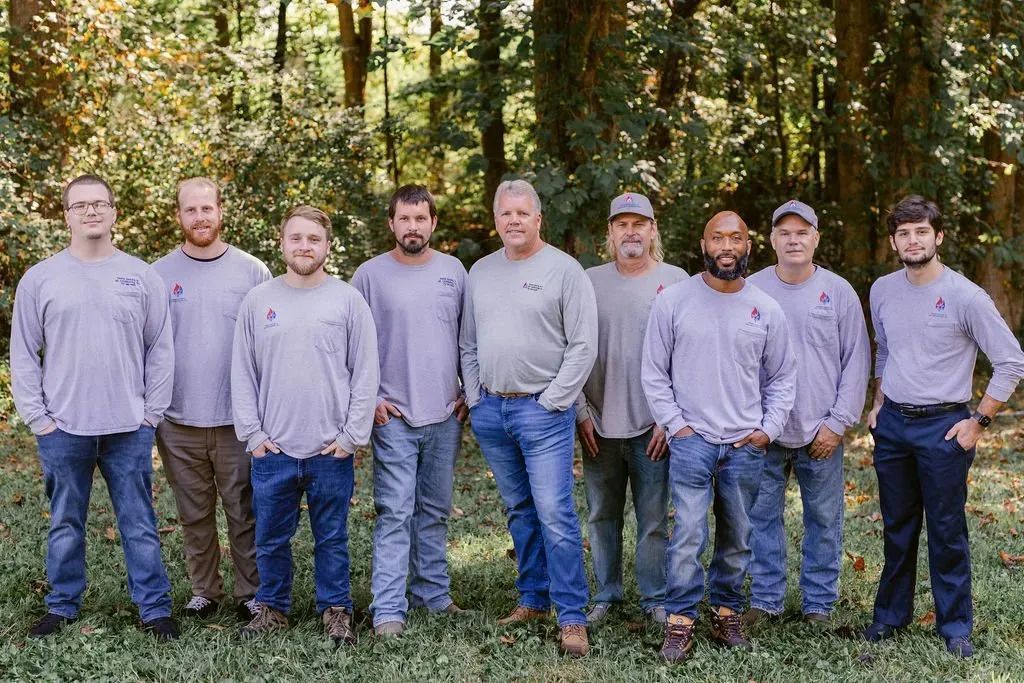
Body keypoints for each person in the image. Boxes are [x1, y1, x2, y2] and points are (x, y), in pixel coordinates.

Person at [11, 174, 179, 641]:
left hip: (128, 426)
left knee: (139, 521)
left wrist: (151, 415)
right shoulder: (40, 278)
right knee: (66, 521)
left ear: (113, 212)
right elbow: (23, 352)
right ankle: (61, 605)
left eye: (99, 204)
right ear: (65, 214)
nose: (90, 212)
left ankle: (154, 609)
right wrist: (38, 418)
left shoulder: (141, 276)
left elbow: (160, 349)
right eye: (80, 205)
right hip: (63, 427)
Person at [862, 195, 1024, 658]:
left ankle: (954, 627)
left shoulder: (965, 296)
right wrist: (878, 403)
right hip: (893, 426)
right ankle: (889, 618)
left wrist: (978, 421)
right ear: (894, 241)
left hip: (946, 428)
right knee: (897, 527)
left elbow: (1011, 361)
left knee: (947, 529)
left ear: (938, 236)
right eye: (904, 233)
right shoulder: (882, 289)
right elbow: (886, 350)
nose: (913, 241)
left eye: (921, 232)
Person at [642, 211, 796, 664]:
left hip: (745, 444)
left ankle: (726, 608)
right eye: (717, 237)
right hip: (693, 440)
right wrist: (678, 426)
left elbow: (783, 376)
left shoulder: (766, 308)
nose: (726, 245)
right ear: (703, 243)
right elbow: (654, 373)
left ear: (749, 246)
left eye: (736, 238)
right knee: (688, 533)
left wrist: (767, 430)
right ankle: (681, 619)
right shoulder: (673, 301)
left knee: (739, 534)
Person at [460, 179, 598, 657]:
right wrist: (476, 397)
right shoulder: (479, 271)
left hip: (544, 411)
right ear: (496, 219)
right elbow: (468, 342)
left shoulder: (564, 270)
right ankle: (534, 598)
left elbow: (583, 346)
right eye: (505, 213)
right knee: (520, 510)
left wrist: (554, 401)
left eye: (523, 213)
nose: (514, 220)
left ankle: (572, 616)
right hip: (493, 412)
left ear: (539, 219)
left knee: (555, 514)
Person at [231, 205, 378, 647]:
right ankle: (272, 608)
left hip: (329, 448)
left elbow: (365, 372)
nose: (304, 246)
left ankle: (336, 609)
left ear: (327, 246)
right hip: (273, 449)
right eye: (296, 238)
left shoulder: (347, 300)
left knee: (331, 537)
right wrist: (253, 436)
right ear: (282, 243)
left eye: (313, 239)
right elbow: (242, 371)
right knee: (270, 537)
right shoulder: (259, 301)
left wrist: (351, 437)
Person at [743, 200, 870, 629]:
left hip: (821, 428)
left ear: (816, 238)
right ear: (773, 240)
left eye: (802, 232)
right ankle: (765, 599)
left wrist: (838, 423)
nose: (794, 240)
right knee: (761, 517)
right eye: (785, 233)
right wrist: (750, 421)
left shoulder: (837, 292)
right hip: (764, 430)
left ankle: (818, 603)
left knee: (823, 518)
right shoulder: (750, 289)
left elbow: (857, 361)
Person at [151, 177, 270, 622]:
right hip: (178, 419)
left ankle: (251, 593)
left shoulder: (252, 271)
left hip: (237, 418)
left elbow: (265, 344)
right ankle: (205, 590)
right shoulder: (158, 274)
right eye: (190, 210)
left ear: (221, 212)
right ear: (179, 216)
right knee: (193, 513)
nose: (200, 217)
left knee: (244, 510)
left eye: (207, 208)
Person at [352, 185, 469, 637]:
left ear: (433, 223)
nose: (413, 227)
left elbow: (467, 339)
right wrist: (372, 400)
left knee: (435, 510)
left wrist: (467, 392)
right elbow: (354, 346)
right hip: (394, 414)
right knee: (396, 512)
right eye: (404, 219)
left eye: (421, 219)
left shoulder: (453, 272)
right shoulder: (369, 275)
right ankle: (388, 609)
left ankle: (433, 595)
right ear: (392, 224)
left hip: (444, 414)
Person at [576, 192, 687, 626]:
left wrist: (670, 417)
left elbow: (688, 354)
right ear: (610, 233)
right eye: (621, 224)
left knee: (654, 518)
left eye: (639, 223)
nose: (631, 231)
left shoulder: (677, 281)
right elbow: (572, 349)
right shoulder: (588, 280)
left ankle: (655, 598)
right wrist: (581, 410)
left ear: (653, 228)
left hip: (653, 426)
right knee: (602, 515)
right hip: (598, 423)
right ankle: (606, 595)